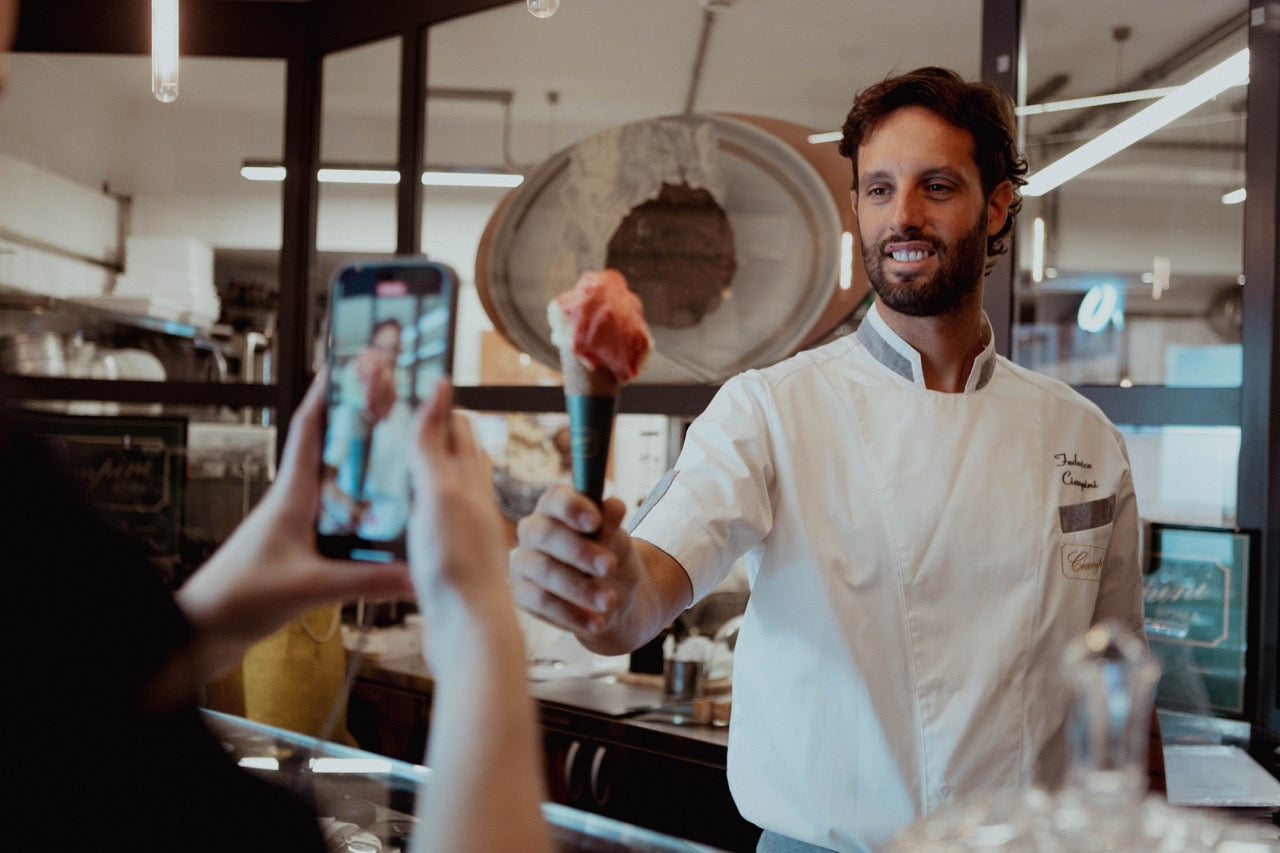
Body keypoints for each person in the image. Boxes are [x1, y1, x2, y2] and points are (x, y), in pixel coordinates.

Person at [511, 66, 1159, 852]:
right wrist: (598, 584)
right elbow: (642, 594)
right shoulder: (770, 409)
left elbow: (1122, 691)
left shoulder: (1083, 436)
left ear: (995, 207)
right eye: (880, 189)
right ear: (857, 207)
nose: (903, 215)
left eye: (937, 187)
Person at [320, 317, 415, 541]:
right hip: (351, 527)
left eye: (393, 349)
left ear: (399, 353)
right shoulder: (349, 410)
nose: (387, 356)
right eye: (381, 348)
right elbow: (327, 476)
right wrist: (346, 506)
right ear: (371, 350)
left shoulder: (407, 415)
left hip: (397, 529)